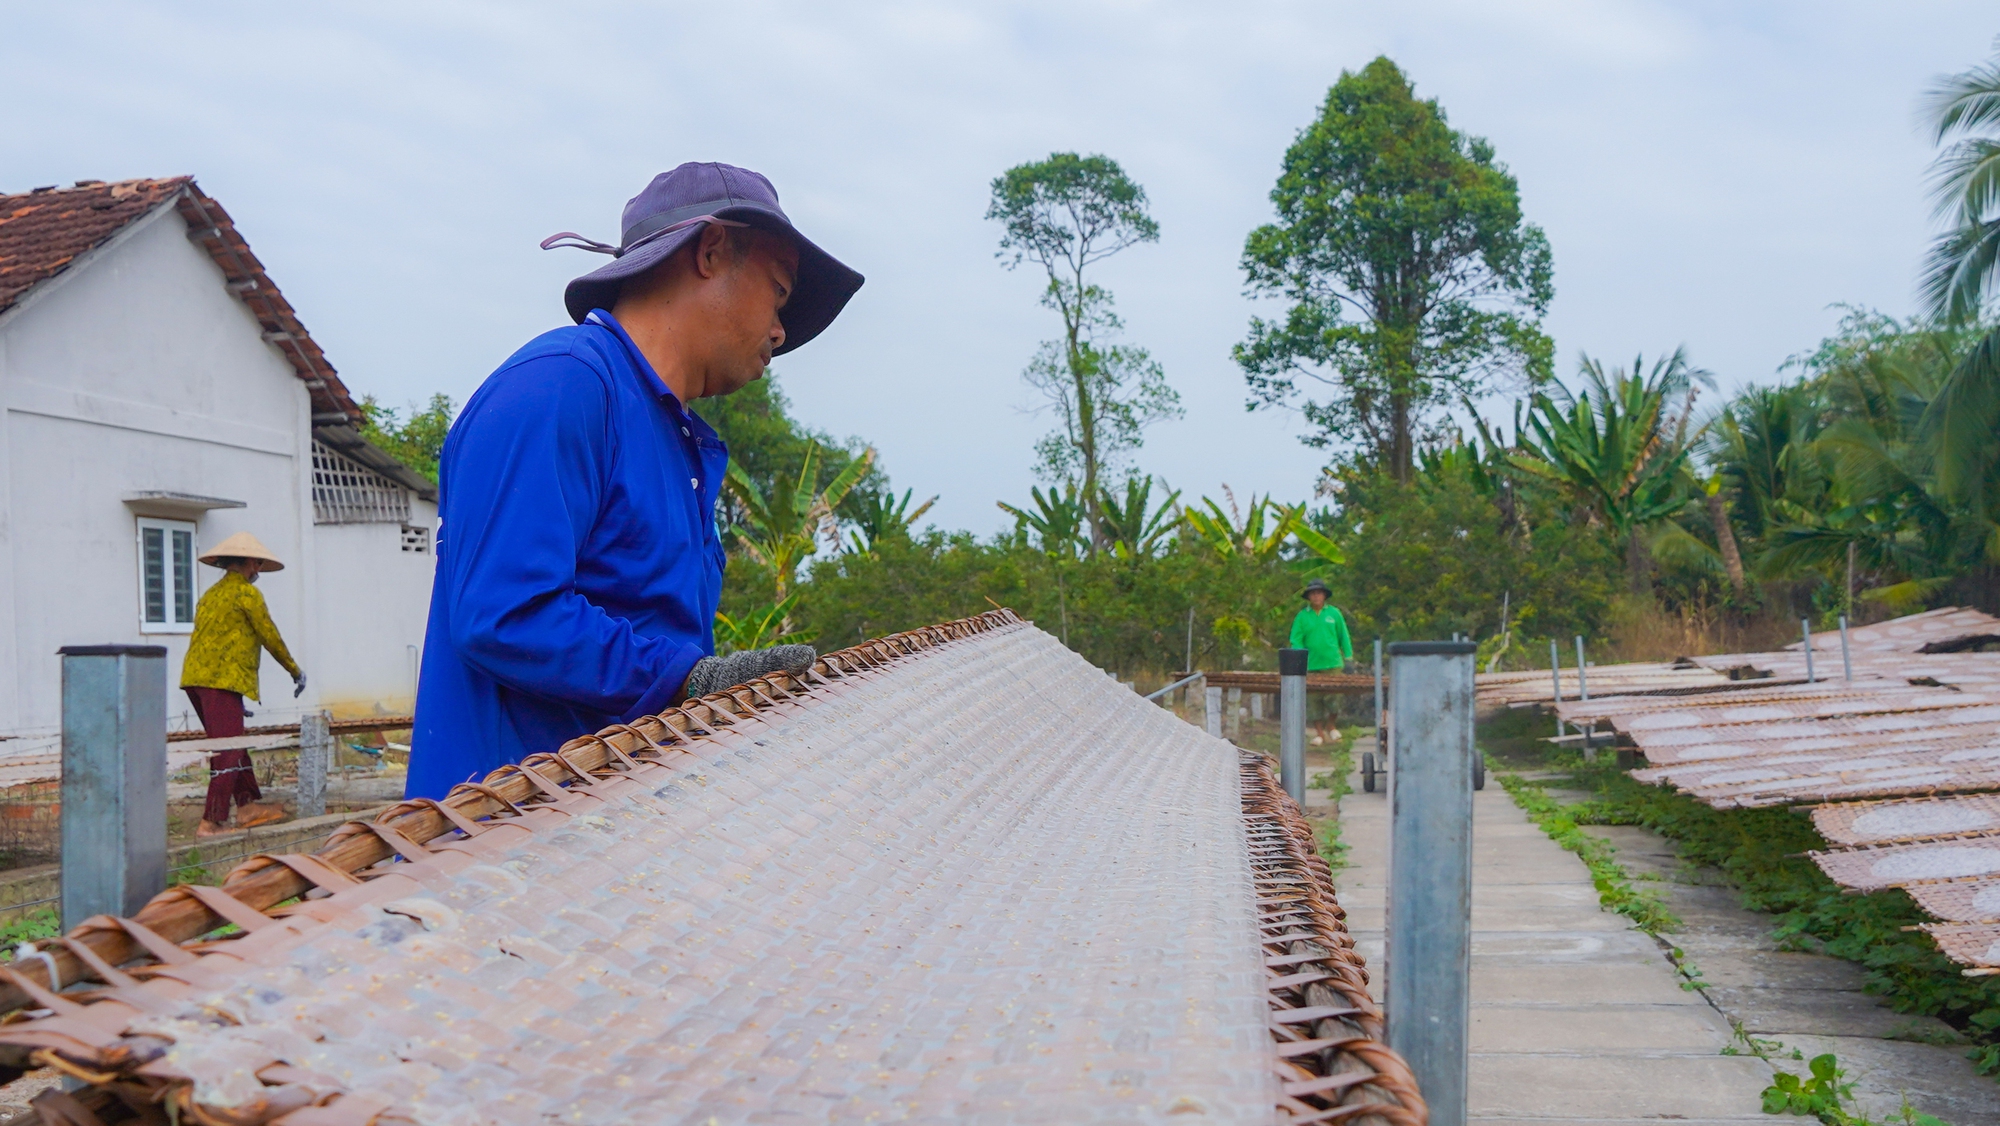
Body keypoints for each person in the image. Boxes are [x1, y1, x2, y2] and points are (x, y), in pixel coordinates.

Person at [406, 163, 864, 799]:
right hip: (499, 837)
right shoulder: (559, 388)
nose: (781, 331)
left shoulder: (684, 449)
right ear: (709, 252)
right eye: (779, 294)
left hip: (614, 836)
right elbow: (505, 613)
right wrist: (688, 678)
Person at [180, 531, 306, 837]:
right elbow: (269, 635)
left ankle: (248, 806)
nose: (258, 570)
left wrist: (233, 699)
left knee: (232, 745)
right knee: (229, 750)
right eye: (257, 563)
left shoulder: (210, 595)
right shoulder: (247, 595)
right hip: (221, 682)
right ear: (249, 561)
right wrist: (294, 669)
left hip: (198, 680)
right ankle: (211, 822)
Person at [1289, 578, 1353, 745]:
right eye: (1313, 593)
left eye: (1319, 593)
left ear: (1324, 595)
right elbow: (1296, 639)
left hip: (1333, 663)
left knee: (1334, 698)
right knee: (1314, 700)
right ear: (1309, 597)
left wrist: (1349, 657)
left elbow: (1343, 636)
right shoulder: (1302, 616)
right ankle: (1319, 733)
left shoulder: (1334, 613)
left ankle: (1331, 726)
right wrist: (1299, 657)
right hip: (1311, 665)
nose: (1316, 596)